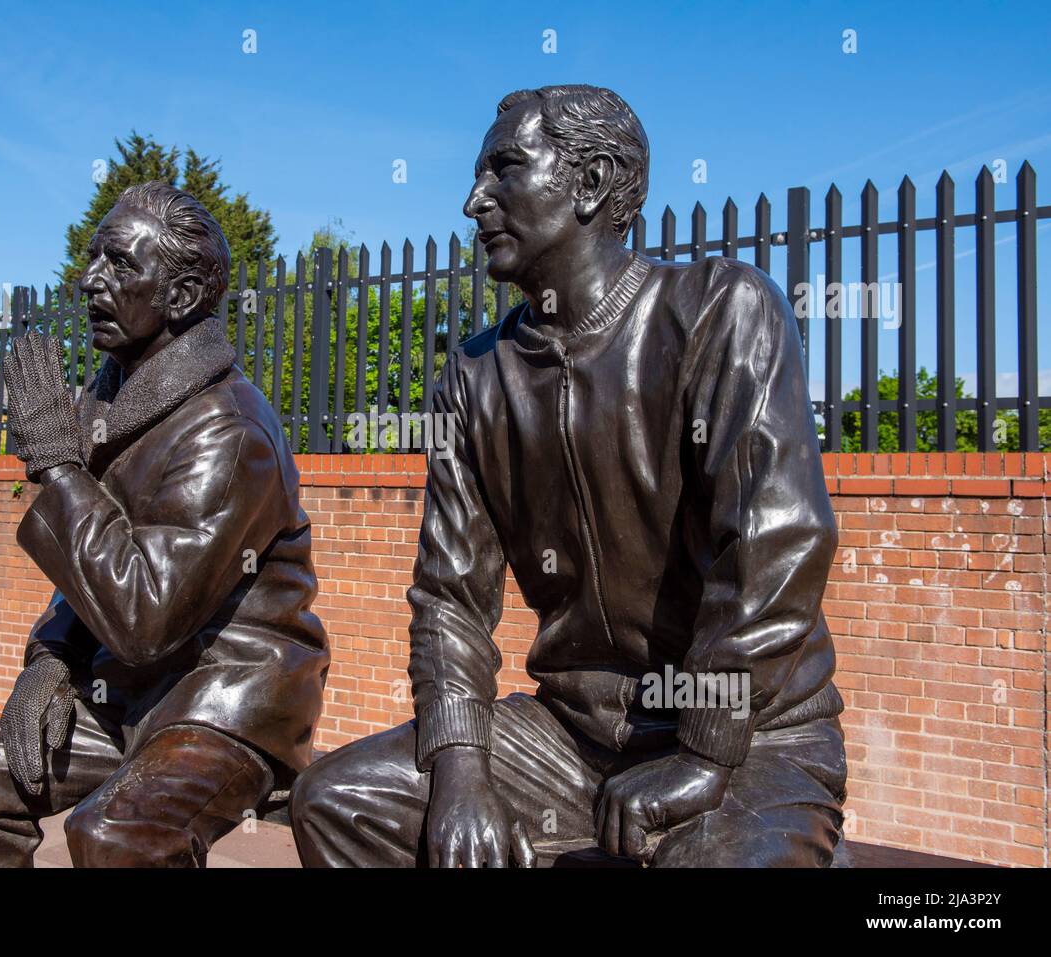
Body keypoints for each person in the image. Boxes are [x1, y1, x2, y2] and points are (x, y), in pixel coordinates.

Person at [290, 85, 846, 868]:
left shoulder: (721, 311)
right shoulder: (475, 377)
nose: (473, 200)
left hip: (754, 738)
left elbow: (775, 541)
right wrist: (460, 766)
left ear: (590, 183)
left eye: (504, 170)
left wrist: (703, 753)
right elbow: (451, 597)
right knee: (339, 801)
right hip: (572, 741)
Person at [0, 182, 329, 867]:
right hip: (129, 692)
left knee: (115, 832)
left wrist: (57, 465)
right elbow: (96, 557)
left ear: (184, 298)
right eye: (92, 259)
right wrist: (52, 657)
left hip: (227, 701)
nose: (90, 279)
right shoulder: (119, 397)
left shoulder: (228, 430)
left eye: (120, 264)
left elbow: (142, 613)